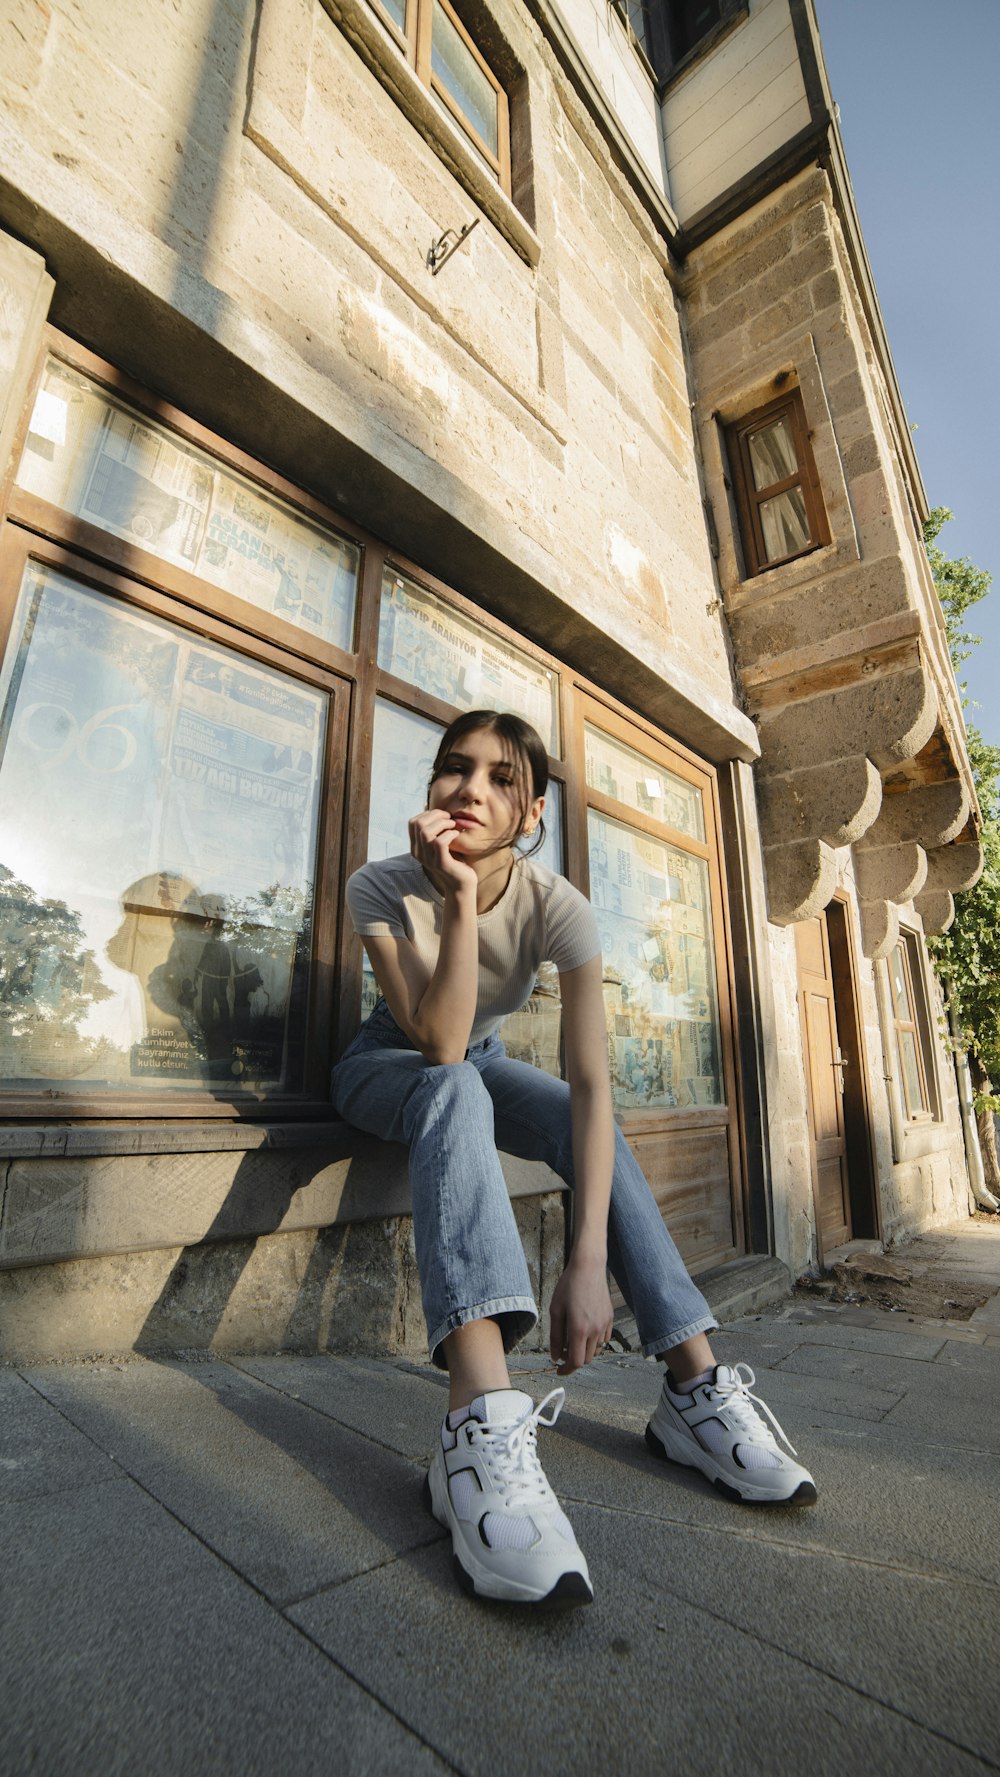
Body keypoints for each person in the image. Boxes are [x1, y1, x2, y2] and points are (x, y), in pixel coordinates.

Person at [332, 710, 816, 1609]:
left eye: (502, 778)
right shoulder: (382, 885)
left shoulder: (560, 906)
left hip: (477, 1065)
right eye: (454, 769)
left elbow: (594, 1086)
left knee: (564, 1109)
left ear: (534, 813)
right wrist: (456, 896)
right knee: (456, 1088)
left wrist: (587, 1260)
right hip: (388, 1064)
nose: (471, 788)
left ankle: (694, 1385)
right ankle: (476, 1424)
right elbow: (437, 1041)